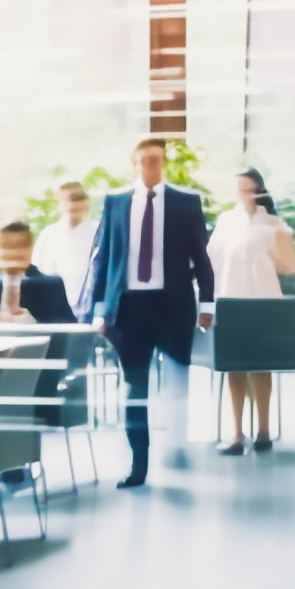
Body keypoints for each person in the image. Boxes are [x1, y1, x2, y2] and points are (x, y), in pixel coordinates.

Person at [87, 137, 215, 488]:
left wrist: (207, 304)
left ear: (164, 164)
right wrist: (100, 309)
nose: (150, 167)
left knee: (176, 381)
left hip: (171, 306)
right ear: (134, 163)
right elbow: (105, 259)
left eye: (156, 160)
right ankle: (138, 463)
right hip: (128, 308)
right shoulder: (115, 204)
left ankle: (177, 445)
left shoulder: (185, 203)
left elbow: (202, 260)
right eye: (144, 160)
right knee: (135, 386)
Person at [207, 169, 295, 455]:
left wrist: (268, 249)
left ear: (259, 191)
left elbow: (289, 265)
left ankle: (264, 431)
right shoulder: (226, 221)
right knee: (234, 367)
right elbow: (213, 262)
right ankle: (236, 433)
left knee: (261, 367)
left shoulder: (273, 224)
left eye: (248, 188)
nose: (243, 194)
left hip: (264, 302)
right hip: (232, 300)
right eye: (239, 189)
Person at [0, 221, 75, 325]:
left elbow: (67, 327)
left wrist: (34, 323)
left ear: (31, 248)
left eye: (21, 246)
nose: (14, 253)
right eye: (7, 246)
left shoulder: (51, 285)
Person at [31, 181, 99, 303]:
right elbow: (38, 272)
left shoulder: (99, 231)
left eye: (79, 198)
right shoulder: (49, 234)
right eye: (68, 200)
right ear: (59, 204)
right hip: (55, 302)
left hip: (90, 301)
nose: (74, 204)